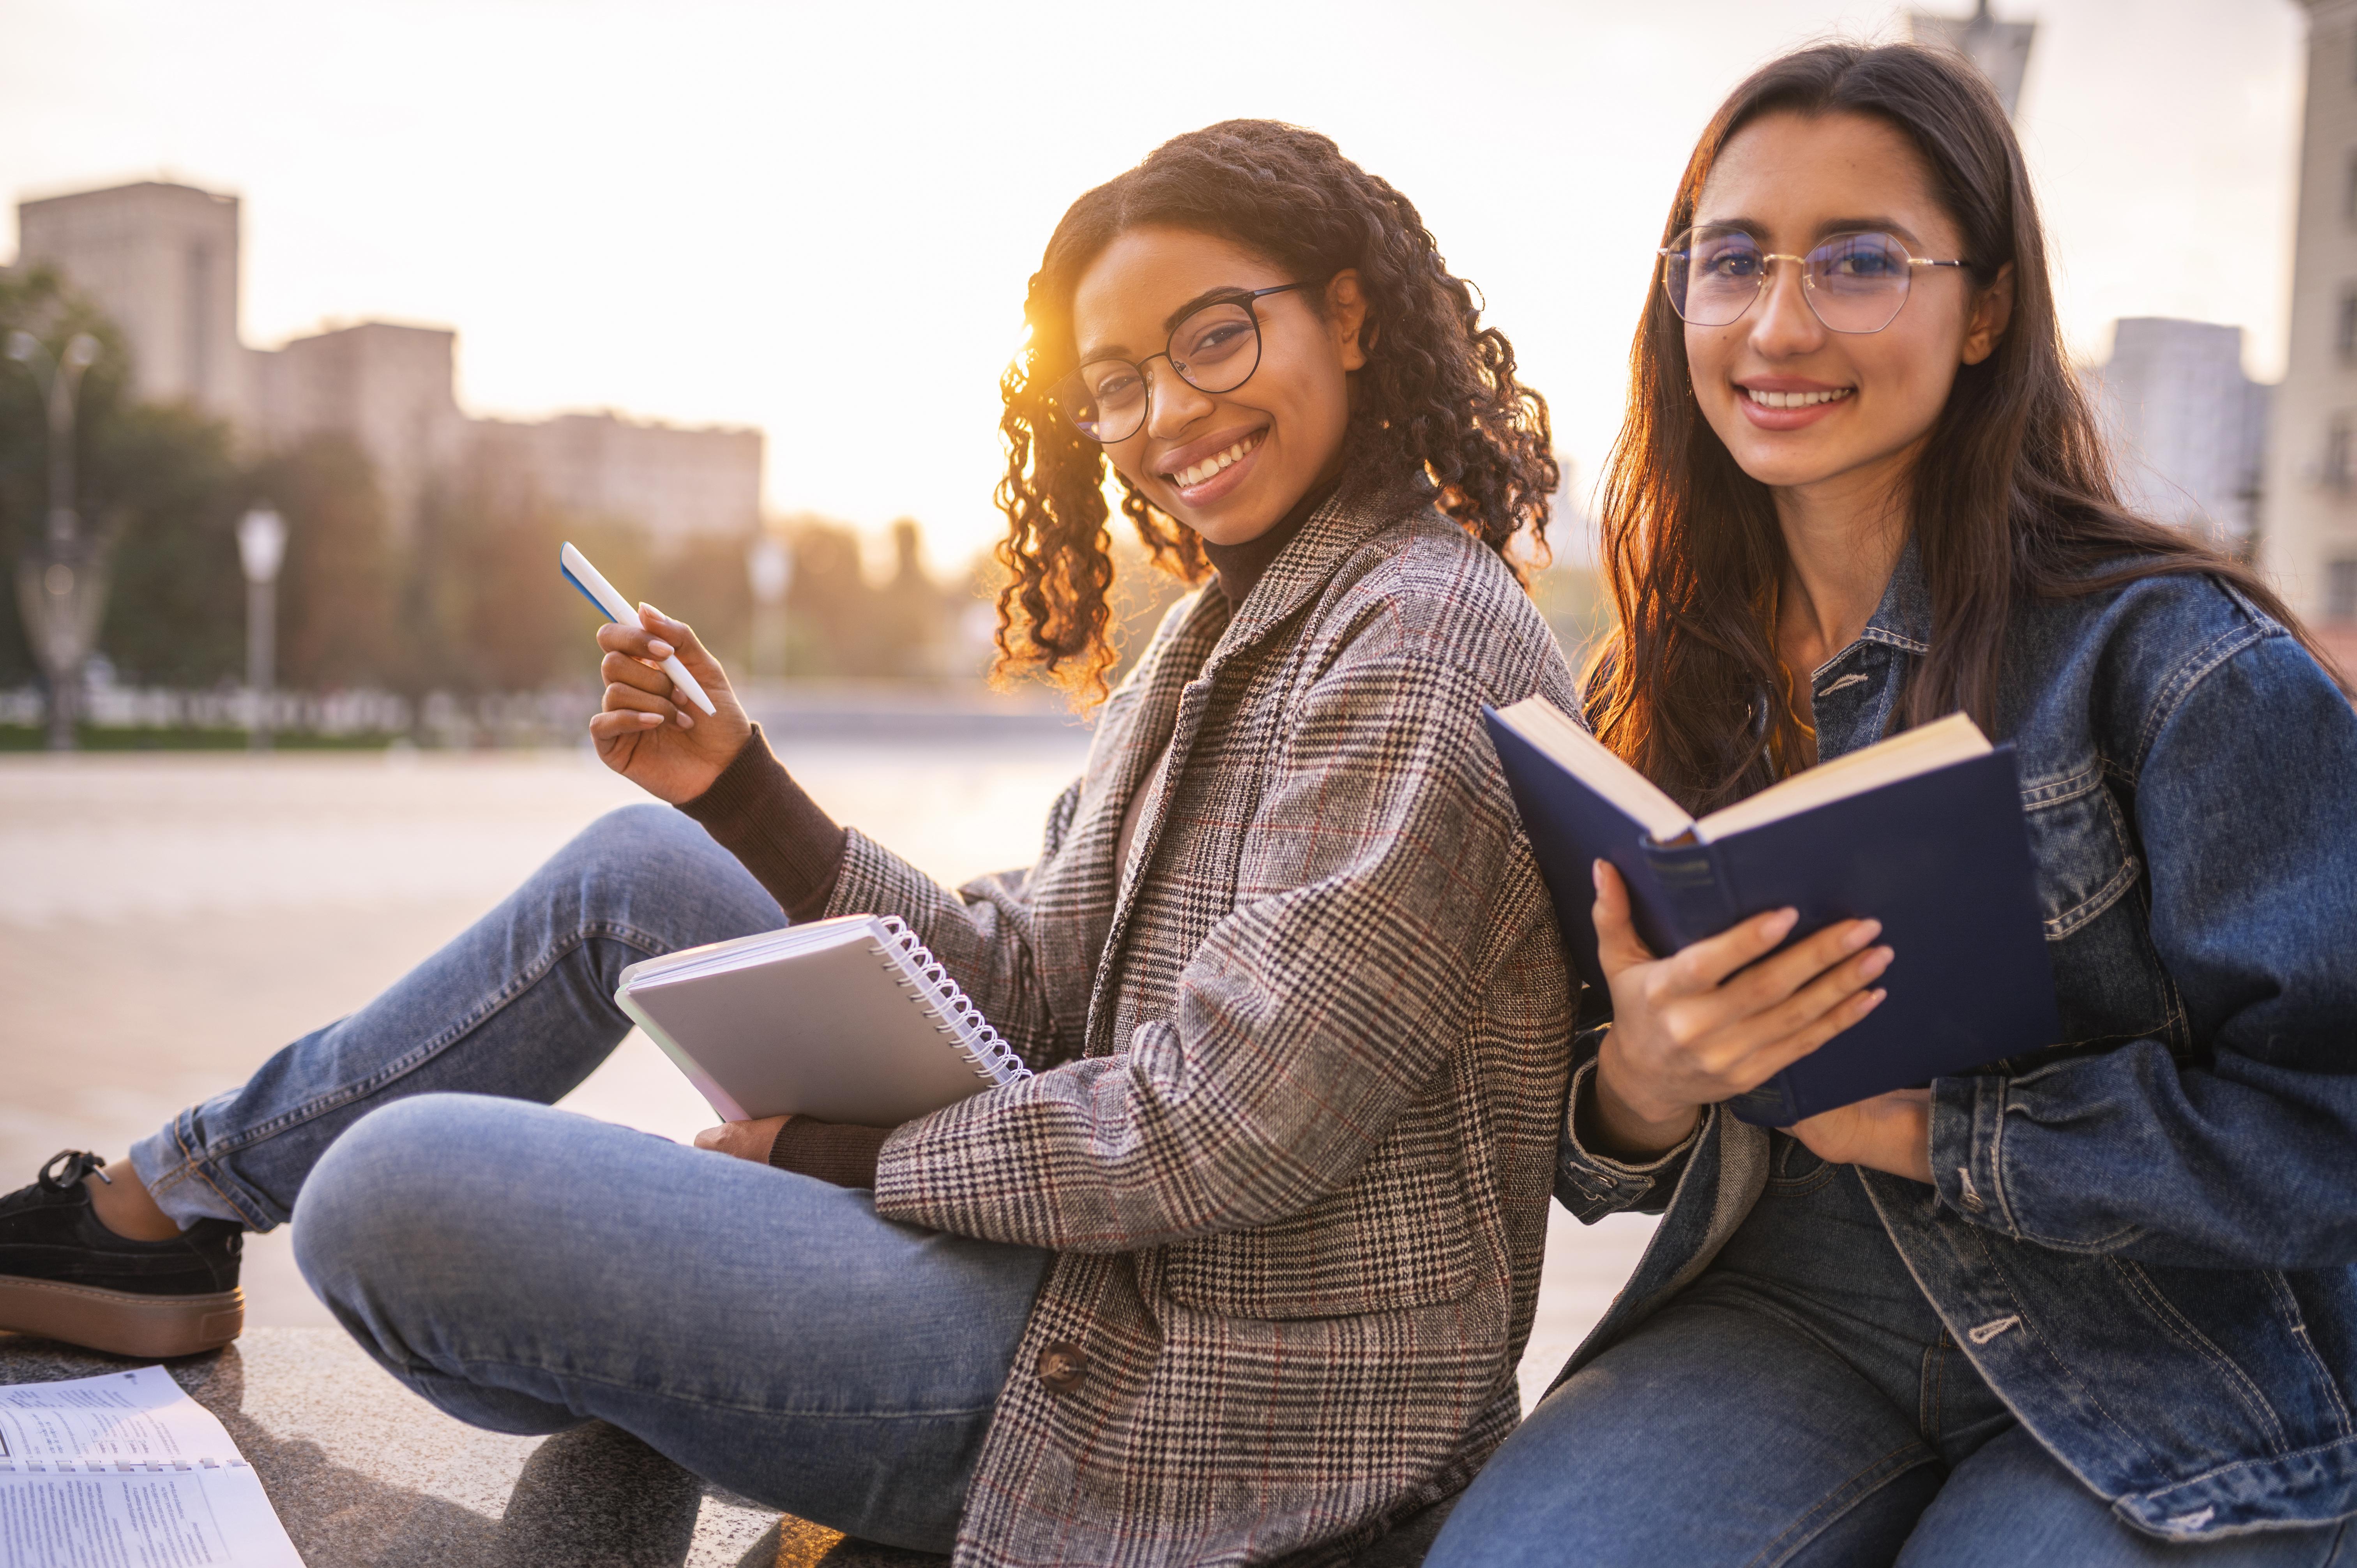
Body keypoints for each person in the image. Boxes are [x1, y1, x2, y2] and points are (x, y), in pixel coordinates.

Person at [0, 120, 1580, 1565]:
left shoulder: (1420, 640)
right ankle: (164, 1208)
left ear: (1351, 317)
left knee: (390, 1200)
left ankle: (611, 1354)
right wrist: (740, 784)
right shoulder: (1231, 621)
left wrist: (837, 1160)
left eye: (1216, 337)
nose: (1168, 416)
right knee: (643, 867)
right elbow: (1035, 978)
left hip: (1198, 1390)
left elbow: (1225, 1128)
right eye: (1116, 382)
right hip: (1095, 1264)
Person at [1425, 41, 2357, 1568]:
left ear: (1985, 306)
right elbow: (1599, 1150)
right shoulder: (1663, 680)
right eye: (1733, 260)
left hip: (2170, 1345)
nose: (1779, 324)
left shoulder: (2182, 667)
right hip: (1792, 1305)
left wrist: (1939, 1129)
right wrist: (1649, 1077)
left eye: (1860, 262)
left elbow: (2333, 1123)